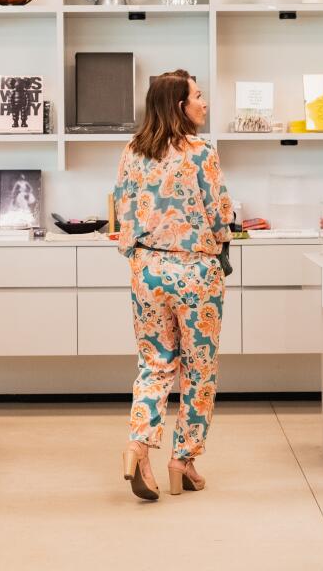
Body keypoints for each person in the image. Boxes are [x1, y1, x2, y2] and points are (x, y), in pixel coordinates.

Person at [112, 70, 233, 501]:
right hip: (196, 272)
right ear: (180, 106)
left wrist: (139, 253)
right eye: (199, 96)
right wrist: (220, 245)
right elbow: (220, 214)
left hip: (148, 272)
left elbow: (122, 211)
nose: (205, 103)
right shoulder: (202, 152)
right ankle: (183, 460)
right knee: (198, 371)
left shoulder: (132, 151)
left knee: (154, 363)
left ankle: (138, 444)